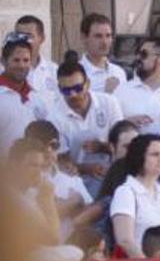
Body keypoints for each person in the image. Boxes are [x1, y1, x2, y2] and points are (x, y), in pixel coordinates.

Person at [45, 56, 124, 196]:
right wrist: (85, 169)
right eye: (66, 90)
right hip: (75, 184)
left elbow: (123, 143)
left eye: (77, 88)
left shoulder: (109, 103)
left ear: (87, 84)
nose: (73, 94)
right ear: (59, 89)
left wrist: (102, 147)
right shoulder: (54, 117)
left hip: (112, 177)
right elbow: (61, 159)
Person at [0, 34, 38, 152]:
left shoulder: (36, 96)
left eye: (26, 60)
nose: (21, 66)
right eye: (16, 60)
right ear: (3, 61)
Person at [13, 15, 58, 98]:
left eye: (29, 36)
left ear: (42, 38)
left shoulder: (54, 72)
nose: (23, 41)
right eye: (18, 36)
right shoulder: (4, 71)